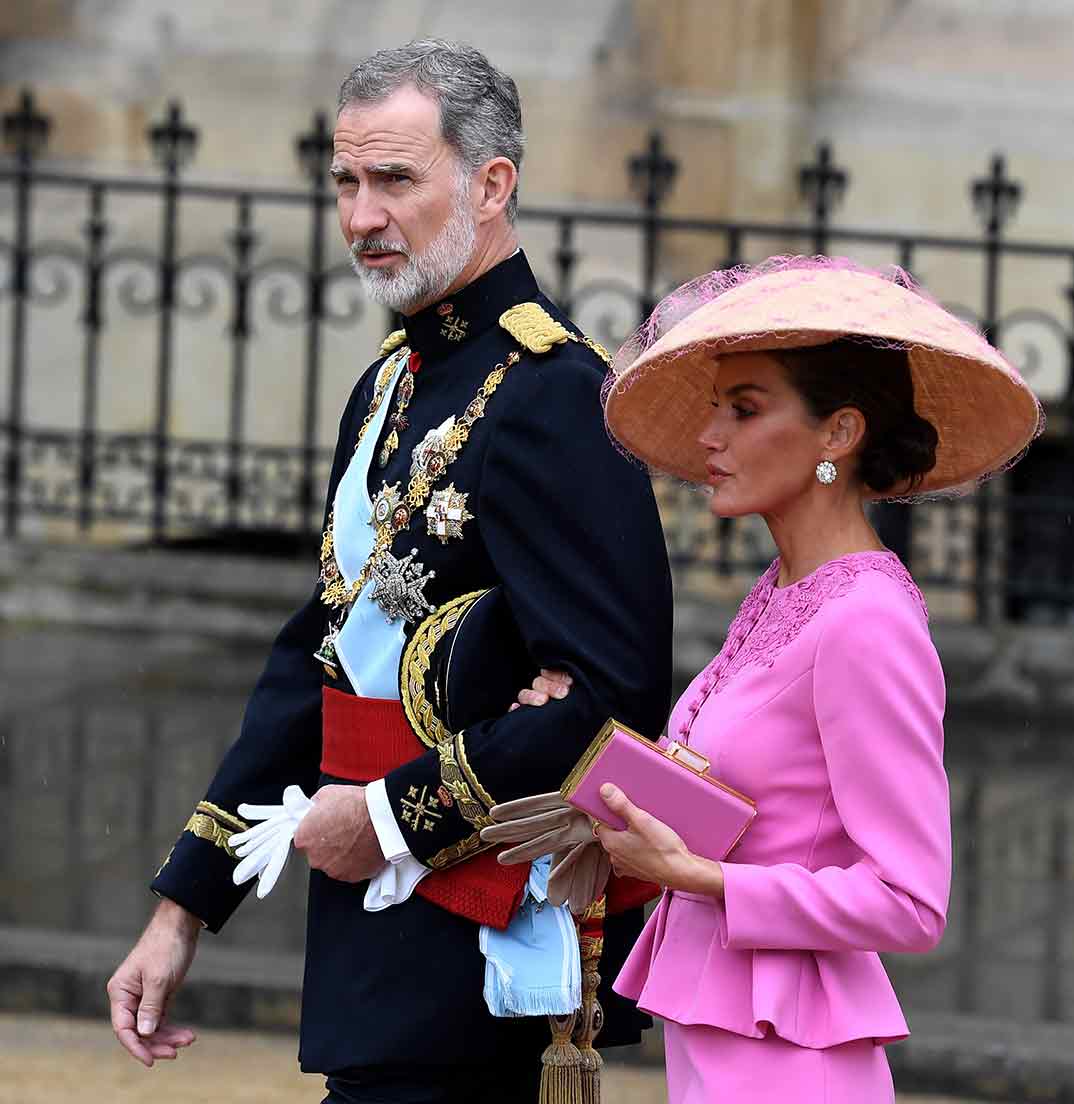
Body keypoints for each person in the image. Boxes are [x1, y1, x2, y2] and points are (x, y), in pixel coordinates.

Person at [105, 39, 673, 1104]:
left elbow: (613, 697)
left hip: (481, 945)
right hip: (371, 944)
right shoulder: (390, 384)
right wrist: (184, 906)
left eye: (395, 180)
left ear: (491, 184)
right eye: (346, 182)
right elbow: (316, 662)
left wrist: (380, 819)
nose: (362, 216)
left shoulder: (553, 397)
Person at [493, 255, 1043, 1103]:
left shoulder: (867, 621)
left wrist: (699, 878)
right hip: (731, 1037)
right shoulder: (785, 587)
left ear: (839, 434)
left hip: (793, 1058)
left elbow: (909, 899)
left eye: (744, 409)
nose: (710, 435)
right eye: (716, 406)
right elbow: (749, 798)